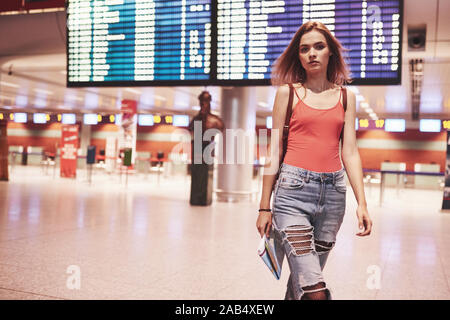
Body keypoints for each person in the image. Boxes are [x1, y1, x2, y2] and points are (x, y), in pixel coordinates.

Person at [256, 21, 373, 300]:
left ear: (330, 52)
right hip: (292, 194)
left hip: (333, 197)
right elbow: (275, 150)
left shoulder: (346, 96)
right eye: (304, 49)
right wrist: (264, 207)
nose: (312, 53)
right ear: (298, 56)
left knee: (301, 281)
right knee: (314, 288)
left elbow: (350, 152)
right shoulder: (288, 93)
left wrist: (363, 204)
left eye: (319, 47)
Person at [188, 91, 224, 206]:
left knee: (205, 176)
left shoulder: (216, 121)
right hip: (197, 149)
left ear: (210, 102)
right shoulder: (195, 120)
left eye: (206, 101)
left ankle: (203, 198)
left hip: (207, 148)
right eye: (201, 101)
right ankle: (196, 198)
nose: (203, 104)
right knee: (197, 176)